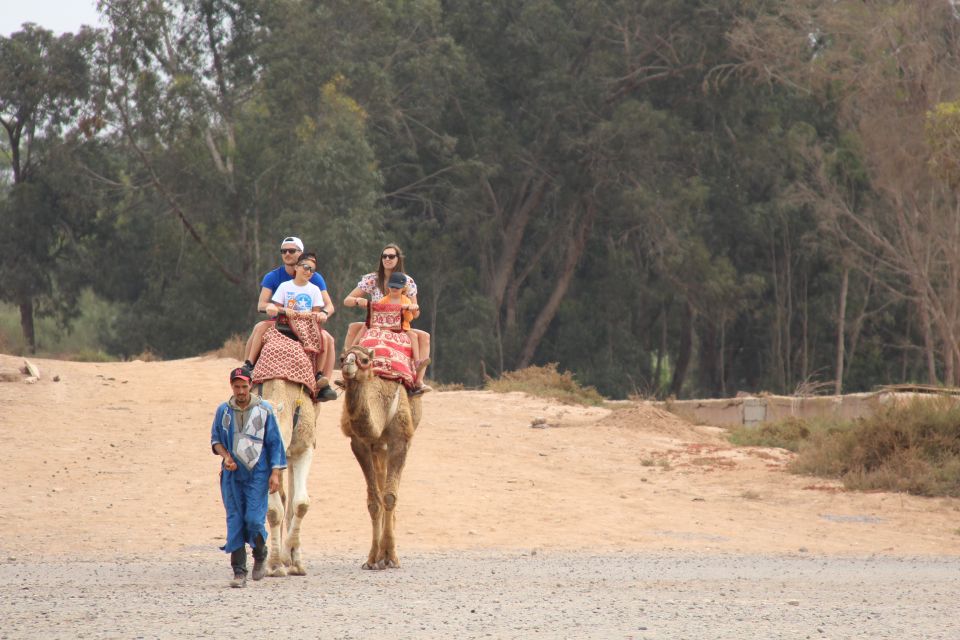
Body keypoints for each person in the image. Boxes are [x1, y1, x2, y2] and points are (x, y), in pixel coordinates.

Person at [211, 367, 287, 588]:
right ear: (232, 387)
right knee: (234, 519)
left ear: (251, 385)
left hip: (258, 472)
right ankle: (239, 572)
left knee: (254, 519)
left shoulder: (264, 411)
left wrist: (275, 473)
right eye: (237, 386)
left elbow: (275, 443)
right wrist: (226, 457)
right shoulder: (223, 411)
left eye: (244, 386)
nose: (241, 391)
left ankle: (260, 552)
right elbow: (216, 440)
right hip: (232, 474)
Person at [242, 236, 337, 401]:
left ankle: (323, 382)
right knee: (259, 327)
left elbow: (328, 306)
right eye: (283, 251)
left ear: (300, 254)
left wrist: (323, 314)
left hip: (307, 323)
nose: (287, 253)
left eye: (291, 250)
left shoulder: (314, 279)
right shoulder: (275, 278)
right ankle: (248, 367)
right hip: (282, 320)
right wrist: (280, 310)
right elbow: (263, 304)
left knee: (328, 339)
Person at [342, 243, 431, 381]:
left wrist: (412, 308)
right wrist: (359, 300)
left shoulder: (407, 282)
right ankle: (348, 365)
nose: (387, 259)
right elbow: (347, 300)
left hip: (399, 325)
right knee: (354, 327)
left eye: (391, 256)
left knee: (424, 337)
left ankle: (418, 381)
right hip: (376, 322)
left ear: (398, 259)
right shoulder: (373, 279)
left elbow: (415, 313)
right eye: (384, 256)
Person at [381, 272, 425, 386]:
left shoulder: (406, 300)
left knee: (414, 336)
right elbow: (378, 313)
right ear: (388, 286)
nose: (394, 289)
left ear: (403, 288)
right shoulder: (384, 300)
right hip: (388, 328)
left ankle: (417, 361)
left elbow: (409, 319)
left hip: (403, 328)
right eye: (392, 286)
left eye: (397, 287)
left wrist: (409, 310)